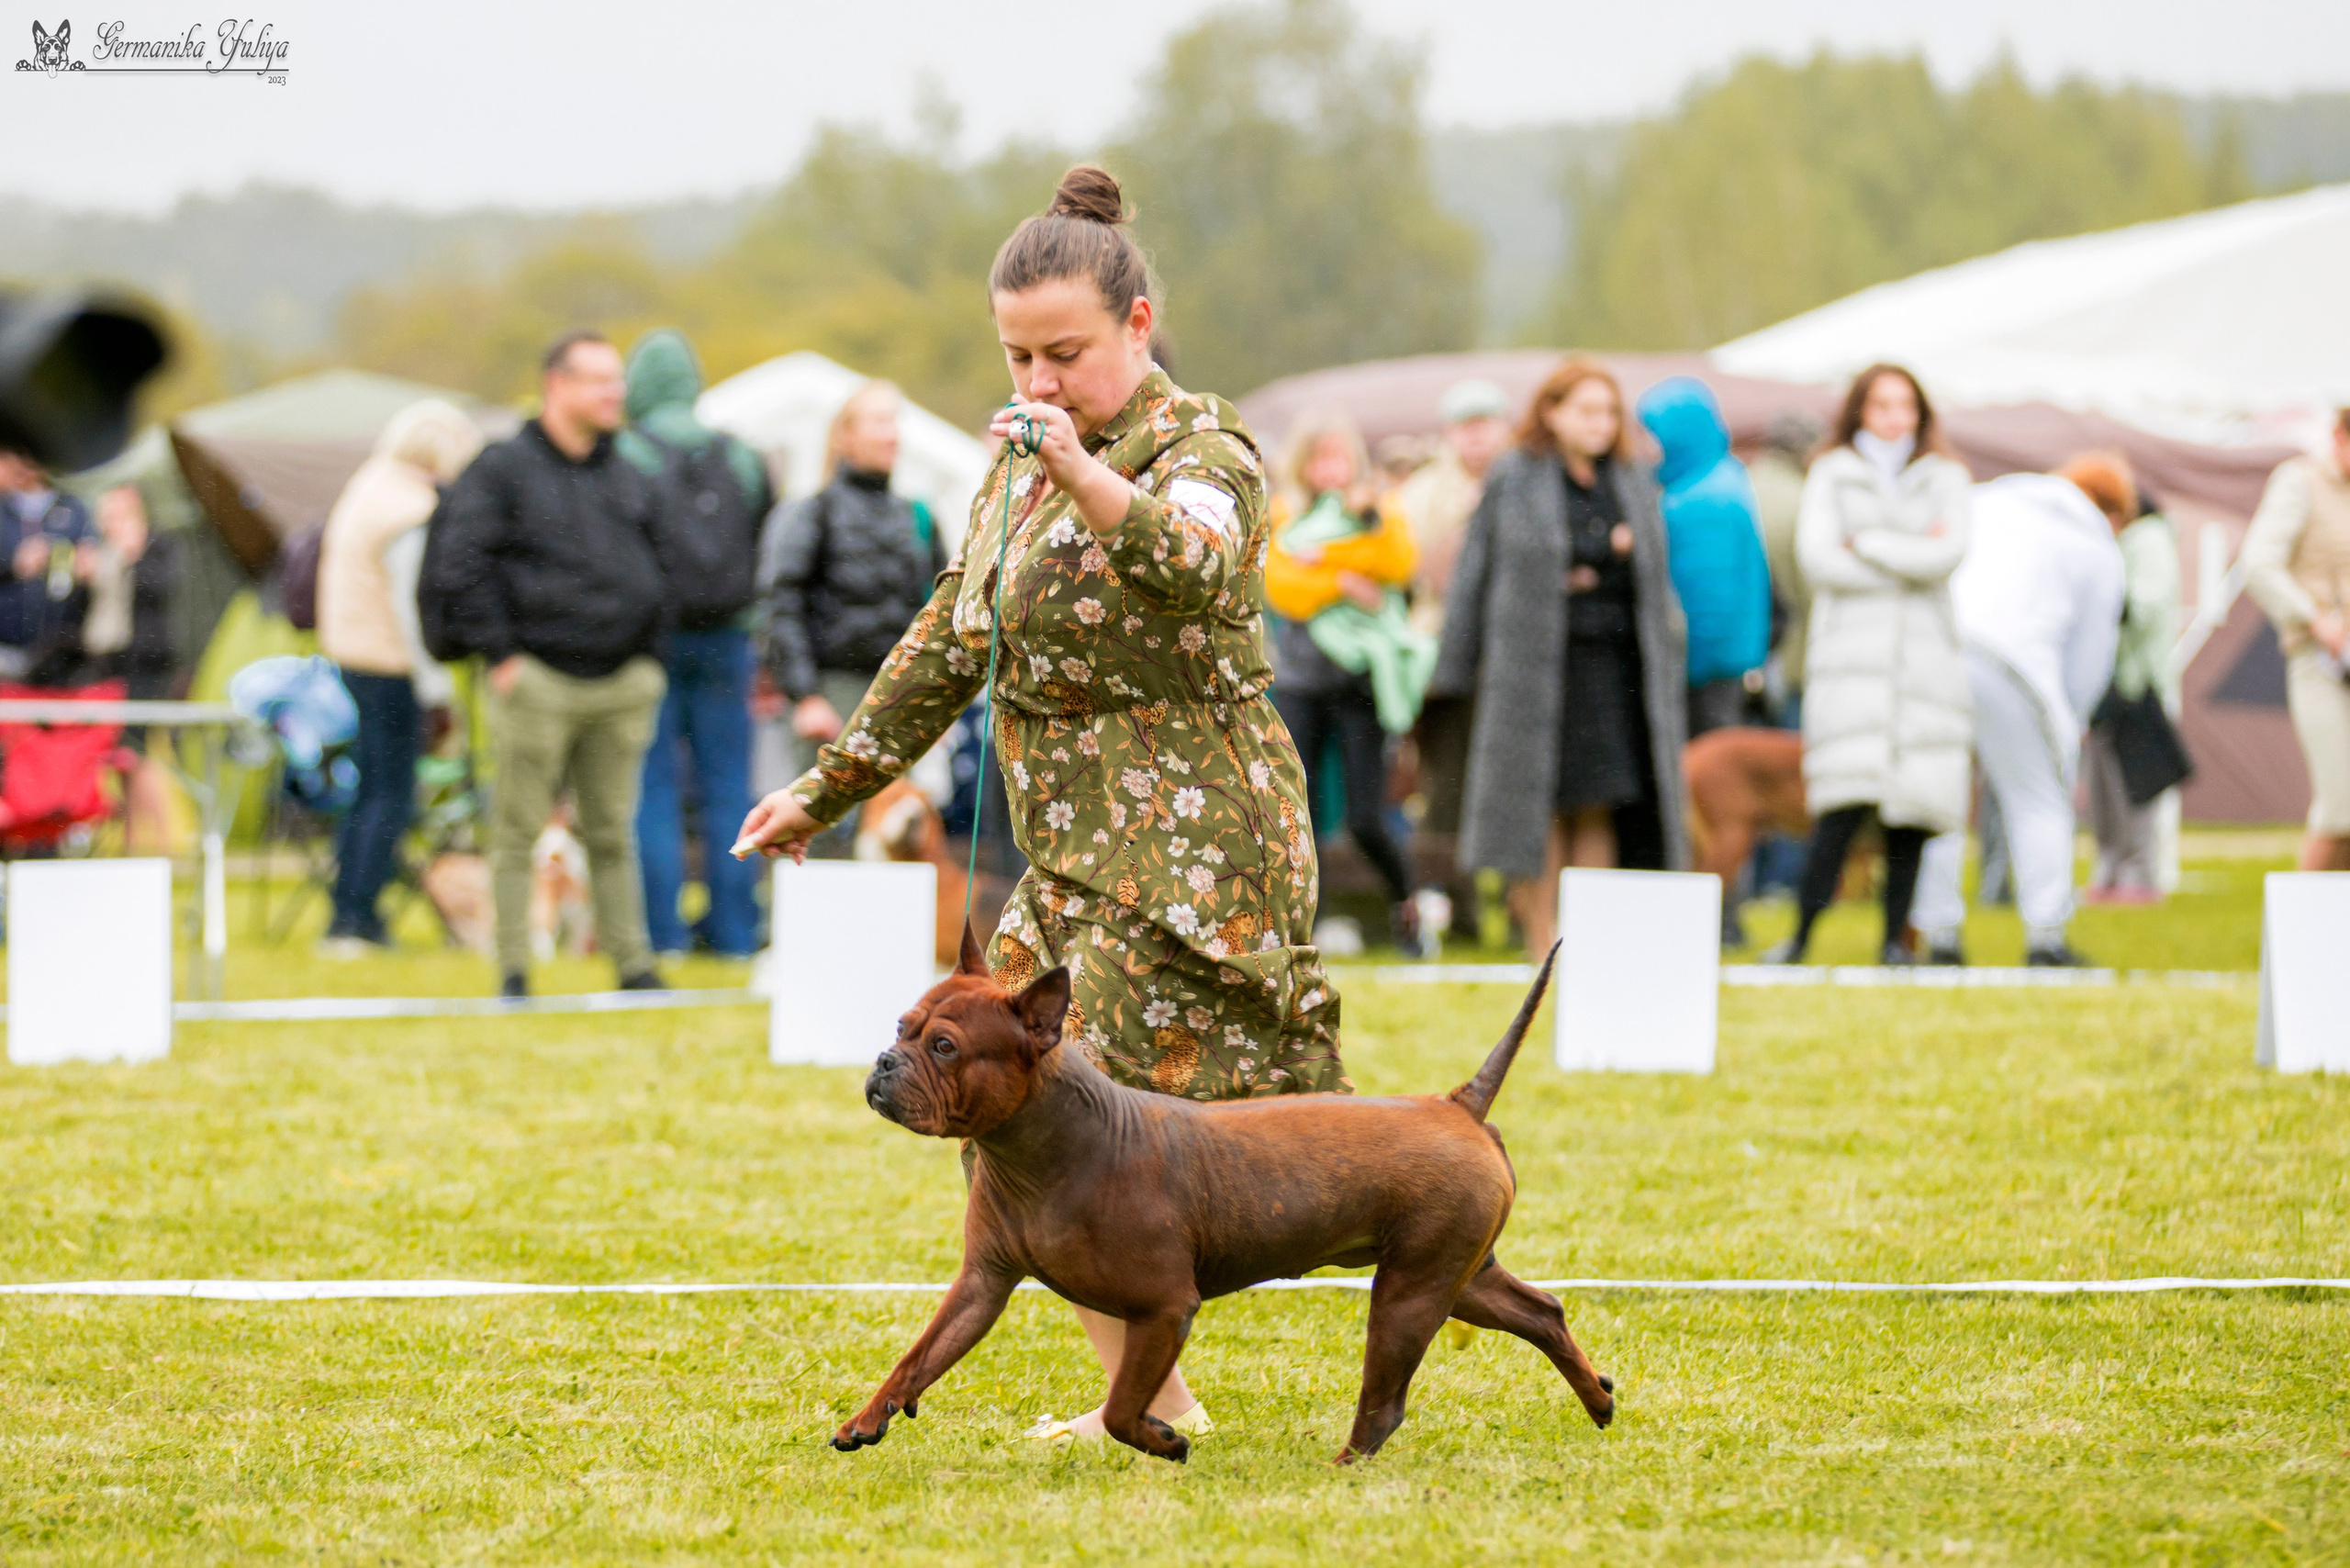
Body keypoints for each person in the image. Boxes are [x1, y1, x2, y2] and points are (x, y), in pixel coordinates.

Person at [735, 165, 1345, 1447]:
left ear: (1136, 325)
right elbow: (950, 639)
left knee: (1093, 1116)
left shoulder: (1206, 447)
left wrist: (1081, 475)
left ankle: (1425, 1239)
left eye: (1062, 354)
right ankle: (1155, 1402)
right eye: (1016, 360)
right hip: (1067, 846)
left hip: (1198, 845)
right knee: (1003, 1106)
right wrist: (823, 789)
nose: (1036, 386)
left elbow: (1190, 569)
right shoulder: (1010, 470)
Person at [420, 330, 670, 998]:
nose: (616, 393)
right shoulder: (502, 468)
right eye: (600, 380)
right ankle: (513, 968)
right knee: (517, 830)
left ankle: (633, 965)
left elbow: (660, 566)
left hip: (622, 681)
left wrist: (650, 658)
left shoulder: (627, 470)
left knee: (613, 831)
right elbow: (461, 565)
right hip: (538, 679)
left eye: (617, 381)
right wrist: (503, 658)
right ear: (557, 385)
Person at [1432, 357, 1689, 959]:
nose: (1600, 424)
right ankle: (1540, 941)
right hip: (1531, 672)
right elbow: (1477, 572)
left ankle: (1588, 942)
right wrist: (1454, 667)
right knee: (1539, 808)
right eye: (1587, 411)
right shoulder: (1515, 475)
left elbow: (1654, 580)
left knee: (1599, 803)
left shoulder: (1630, 479)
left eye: (1608, 412)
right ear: (1552, 412)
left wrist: (1598, 568)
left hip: (1614, 671)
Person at [1767, 364, 1972, 967]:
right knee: (1840, 807)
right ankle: (1801, 936)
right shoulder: (1831, 474)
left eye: (1904, 406)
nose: (1893, 418)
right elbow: (1820, 561)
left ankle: (1893, 942)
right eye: (1881, 405)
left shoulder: (1947, 476)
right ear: (1860, 410)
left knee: (1912, 814)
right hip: (1851, 666)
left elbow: (1950, 553)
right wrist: (1910, 550)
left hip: (1921, 668)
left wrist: (1869, 543)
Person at [1912, 458, 2126, 967]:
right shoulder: (2095, 545)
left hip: (1940, 648)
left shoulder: (1987, 500)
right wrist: (2068, 717)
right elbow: (2092, 655)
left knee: (1940, 801)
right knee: (2038, 798)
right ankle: (2045, 937)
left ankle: (1938, 937)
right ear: (2112, 510)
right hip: (2017, 669)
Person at [620, 330, 776, 960]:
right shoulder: (739, 456)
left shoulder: (629, 452)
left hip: (652, 642)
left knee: (653, 787)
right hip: (730, 640)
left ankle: (664, 936)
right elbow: (764, 539)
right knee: (728, 787)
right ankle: (737, 933)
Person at [1262, 414, 1434, 955]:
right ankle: (1305, 933)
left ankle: (1407, 912)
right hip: (1300, 681)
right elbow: (1282, 586)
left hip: (1359, 680)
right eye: (1320, 458)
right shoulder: (1284, 513)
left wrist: (1325, 559)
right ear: (1303, 463)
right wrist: (1341, 581)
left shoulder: (1374, 508)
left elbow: (1397, 561)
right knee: (1300, 815)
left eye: (1339, 457)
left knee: (1366, 817)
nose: (1330, 470)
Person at [316, 398, 480, 953]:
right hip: (389, 666)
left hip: (354, 658)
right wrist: (437, 688)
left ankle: (351, 909)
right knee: (389, 795)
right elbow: (414, 609)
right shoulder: (407, 508)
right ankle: (356, 917)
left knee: (368, 792)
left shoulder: (369, 485)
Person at [758, 379, 946, 858]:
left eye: (895, 422)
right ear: (844, 437)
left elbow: (943, 610)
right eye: (879, 422)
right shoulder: (810, 514)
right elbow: (781, 604)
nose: (892, 435)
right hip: (830, 693)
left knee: (890, 837)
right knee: (819, 835)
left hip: (897, 697)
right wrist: (804, 696)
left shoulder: (917, 517)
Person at [1393, 378, 1512, 940]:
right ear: (1450, 433)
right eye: (1468, 426)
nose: (1479, 438)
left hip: (1512, 660)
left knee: (1515, 784)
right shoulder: (1423, 493)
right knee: (1447, 787)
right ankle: (1456, 911)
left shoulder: (1523, 481)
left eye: (1488, 424)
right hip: (1443, 659)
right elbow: (1418, 572)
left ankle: (1517, 909)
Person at [2242, 408, 2350, 872]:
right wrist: (2315, 620)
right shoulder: (2299, 480)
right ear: (2339, 435)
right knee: (2341, 806)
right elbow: (2260, 563)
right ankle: (2300, 937)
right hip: (2319, 661)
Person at [1637, 375, 1772, 738]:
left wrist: (1682, 670)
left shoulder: (1700, 501)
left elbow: (1708, 600)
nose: (1646, 446)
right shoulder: (1719, 476)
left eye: (1651, 432)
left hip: (1706, 673)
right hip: (1726, 663)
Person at [2082, 478, 2182, 902]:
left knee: (2139, 784)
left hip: (2138, 686)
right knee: (2103, 788)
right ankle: (2110, 871)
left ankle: (2140, 875)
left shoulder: (2150, 540)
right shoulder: (2118, 542)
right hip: (2104, 686)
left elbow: (2145, 606)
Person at [83, 483, 184, 851]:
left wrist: (135, 557)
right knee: (120, 757)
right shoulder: (104, 552)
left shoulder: (157, 546)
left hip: (146, 665)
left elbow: (161, 592)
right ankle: (130, 841)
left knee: (137, 754)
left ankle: (160, 841)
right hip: (111, 663)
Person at [0, 444, 99, 684]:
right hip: (7, 647)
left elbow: (92, 561)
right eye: (19, 457)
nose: (27, 464)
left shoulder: (73, 508)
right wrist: (14, 565)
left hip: (62, 651)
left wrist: (73, 559)